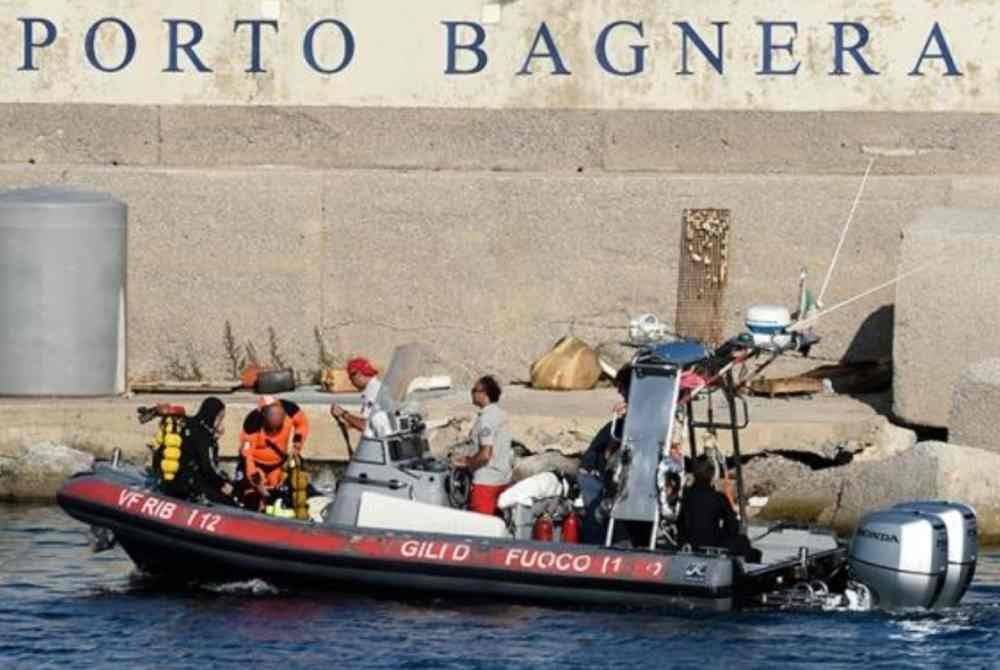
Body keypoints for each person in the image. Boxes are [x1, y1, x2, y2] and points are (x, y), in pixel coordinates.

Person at [577, 365, 630, 543]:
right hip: (595, 475)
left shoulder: (626, 421)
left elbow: (609, 453)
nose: (618, 390)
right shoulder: (623, 422)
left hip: (601, 478)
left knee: (595, 521)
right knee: (596, 518)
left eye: (621, 386)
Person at [676, 455, 759, 561]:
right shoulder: (718, 498)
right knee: (743, 541)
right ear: (710, 474)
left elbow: (678, 522)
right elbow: (732, 526)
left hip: (686, 541)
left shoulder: (684, 495)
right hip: (709, 543)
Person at [236, 396, 310, 511]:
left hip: (277, 465)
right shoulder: (253, 422)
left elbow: (302, 423)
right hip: (256, 465)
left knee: (281, 496)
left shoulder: (290, 409)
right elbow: (248, 457)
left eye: (278, 427)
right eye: (272, 428)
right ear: (264, 416)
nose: (275, 431)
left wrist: (297, 444)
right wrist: (258, 485)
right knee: (253, 499)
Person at [452, 375, 513, 515]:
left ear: (484, 394)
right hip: (503, 479)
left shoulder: (486, 418)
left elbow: (486, 454)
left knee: (481, 528)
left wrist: (468, 462)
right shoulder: (500, 414)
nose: (472, 393)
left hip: (486, 482)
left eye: (474, 390)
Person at [158, 397, 236, 506]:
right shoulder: (204, 436)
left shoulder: (187, 423)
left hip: (171, 481)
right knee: (230, 502)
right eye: (220, 418)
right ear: (213, 416)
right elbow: (208, 467)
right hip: (190, 485)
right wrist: (223, 483)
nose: (220, 423)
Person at [330, 357, 391, 438]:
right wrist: (352, 423)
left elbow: (365, 425)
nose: (351, 383)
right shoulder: (378, 386)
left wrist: (343, 414)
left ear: (358, 375)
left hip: (382, 443)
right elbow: (374, 423)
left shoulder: (371, 393)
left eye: (351, 379)